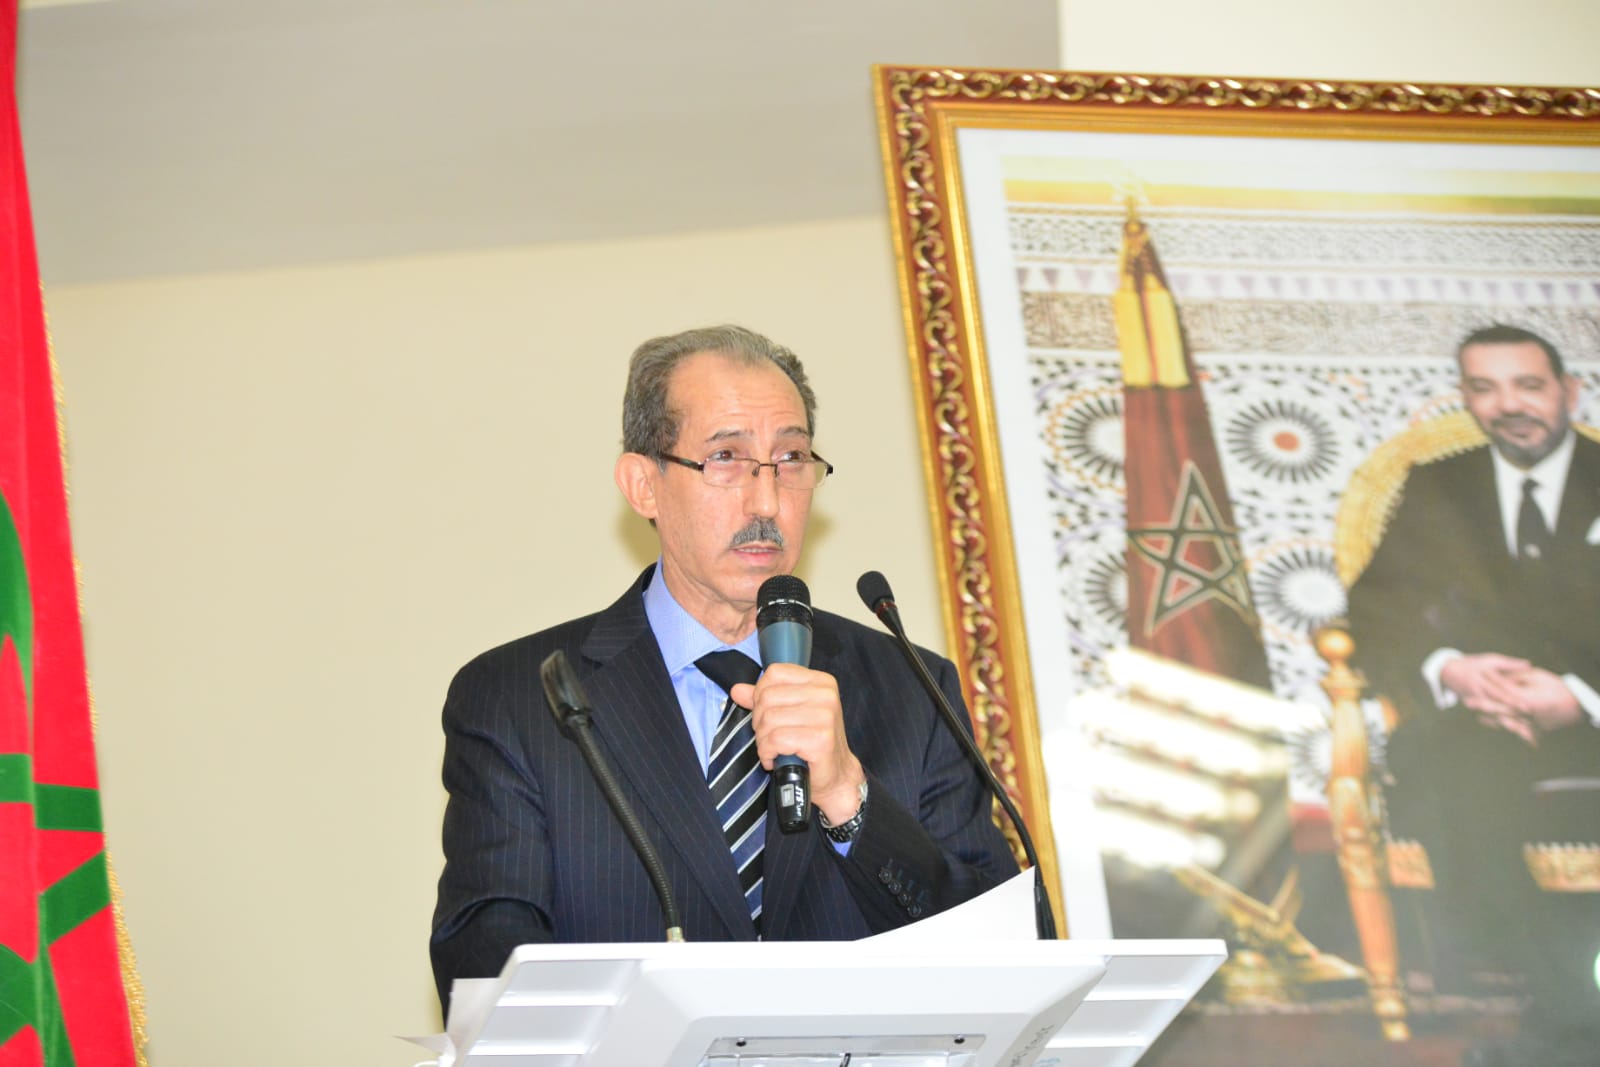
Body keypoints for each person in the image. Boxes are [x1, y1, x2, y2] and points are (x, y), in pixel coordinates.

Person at [429, 325, 1019, 1016]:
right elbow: (484, 959)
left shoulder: (913, 688)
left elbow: (1004, 955)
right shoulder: (518, 697)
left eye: (791, 458)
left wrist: (849, 797)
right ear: (643, 484)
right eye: (726, 458)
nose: (767, 502)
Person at [1345, 323, 1600, 1065]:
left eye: (1528, 385)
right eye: (1485, 388)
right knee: (1444, 778)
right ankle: (1571, 1016)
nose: (1508, 404)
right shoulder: (1438, 487)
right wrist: (1450, 668)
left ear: (1568, 391)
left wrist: (1578, 696)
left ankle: (1560, 1030)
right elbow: (1374, 611)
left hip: (1592, 719)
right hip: (1478, 726)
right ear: (1466, 398)